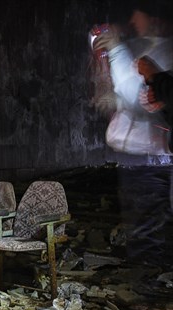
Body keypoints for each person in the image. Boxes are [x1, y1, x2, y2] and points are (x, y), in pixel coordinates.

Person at [92, 2, 173, 266]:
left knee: (148, 230)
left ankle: (149, 289)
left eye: (138, 18)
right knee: (141, 229)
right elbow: (133, 97)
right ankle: (147, 282)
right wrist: (114, 101)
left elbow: (149, 100)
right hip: (135, 158)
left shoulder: (165, 50)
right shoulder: (144, 46)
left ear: (156, 18)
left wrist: (116, 51)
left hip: (150, 158)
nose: (132, 24)